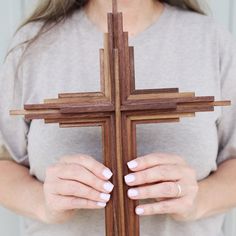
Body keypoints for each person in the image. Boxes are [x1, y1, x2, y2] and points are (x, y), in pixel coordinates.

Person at [0, 0, 236, 235]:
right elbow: (5, 162)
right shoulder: (33, 44)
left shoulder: (211, 40)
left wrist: (198, 200)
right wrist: (43, 203)